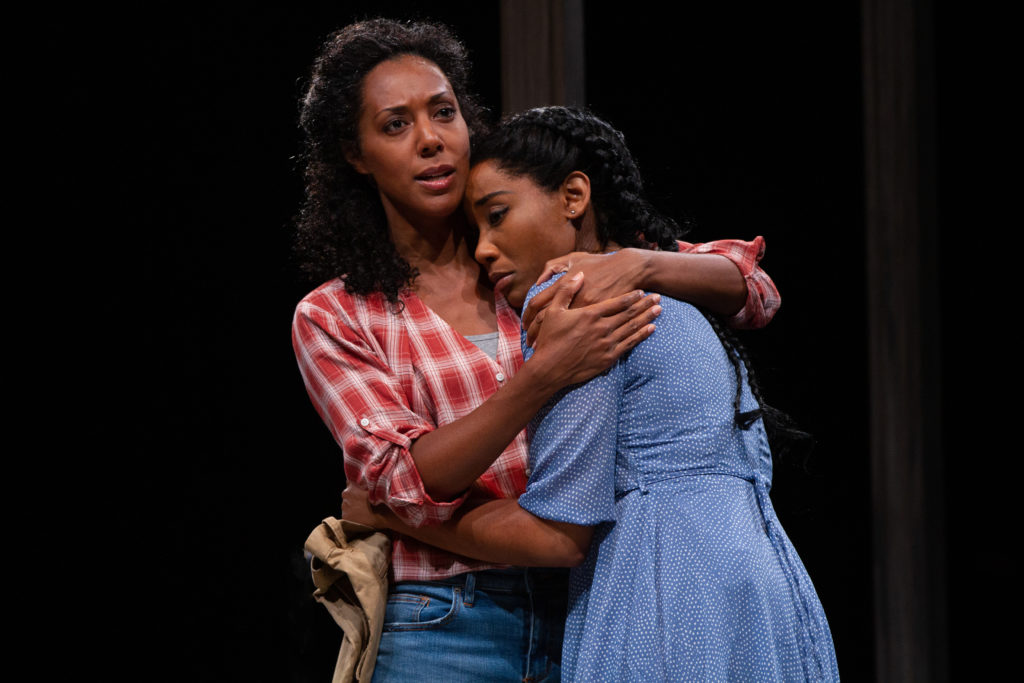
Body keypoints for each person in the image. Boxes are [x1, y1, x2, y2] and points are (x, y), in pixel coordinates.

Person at [293, 19, 781, 682]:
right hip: (444, 624)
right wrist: (542, 376)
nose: (432, 139)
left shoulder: (538, 251)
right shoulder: (339, 312)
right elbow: (407, 478)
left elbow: (751, 287)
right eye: (396, 125)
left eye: (444, 112)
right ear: (356, 153)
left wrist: (639, 262)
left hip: (586, 602)